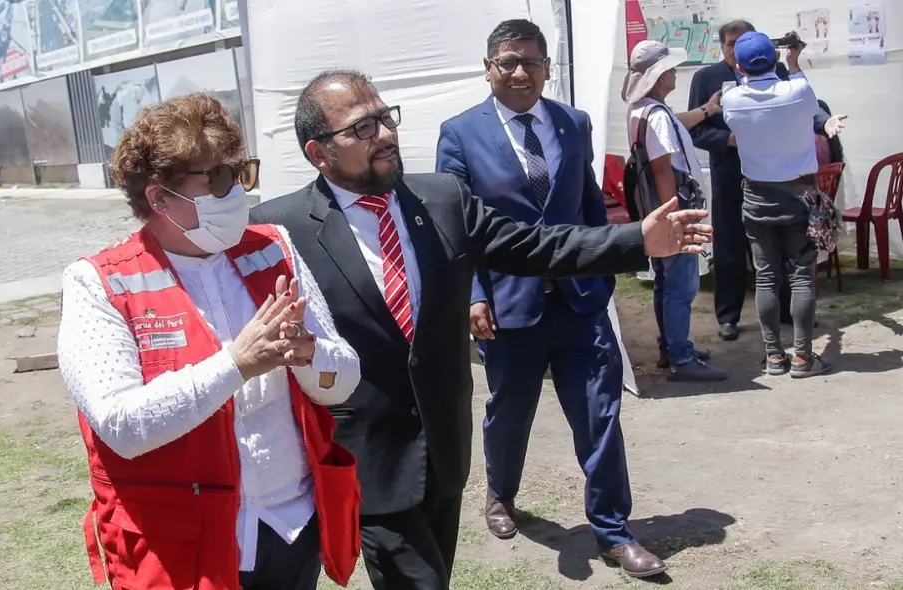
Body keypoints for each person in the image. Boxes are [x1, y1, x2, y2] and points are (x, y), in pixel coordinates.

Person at [250, 69, 712, 589]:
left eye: (385, 118)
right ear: (319, 152)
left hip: (446, 446)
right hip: (366, 458)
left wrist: (635, 241)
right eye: (361, 128)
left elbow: (537, 247)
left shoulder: (442, 198)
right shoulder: (277, 229)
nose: (384, 135)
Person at [57, 93, 363, 590]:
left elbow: (342, 380)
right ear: (159, 199)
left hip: (291, 526)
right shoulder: (97, 282)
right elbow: (123, 426)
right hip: (183, 546)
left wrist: (307, 353)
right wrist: (237, 363)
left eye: (241, 172)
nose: (238, 190)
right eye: (218, 178)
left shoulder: (274, 248)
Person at [430, 19, 662, 578]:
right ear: (488, 68)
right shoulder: (460, 133)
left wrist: (602, 276)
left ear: (546, 69)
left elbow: (586, 208)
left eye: (531, 63)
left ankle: (612, 530)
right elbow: (455, 226)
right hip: (509, 308)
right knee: (510, 413)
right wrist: (473, 296)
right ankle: (501, 494)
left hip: (580, 302)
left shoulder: (572, 123)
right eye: (507, 62)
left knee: (601, 416)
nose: (519, 73)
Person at [688, 19, 846, 341]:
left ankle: (789, 311)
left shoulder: (776, 75)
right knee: (730, 246)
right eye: (732, 44)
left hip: (774, 179)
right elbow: (698, 130)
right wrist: (732, 140)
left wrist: (824, 122)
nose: (738, 50)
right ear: (722, 47)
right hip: (731, 174)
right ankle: (728, 316)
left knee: (783, 252)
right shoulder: (707, 79)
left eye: (744, 42)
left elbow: (805, 108)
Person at [721, 32, 833, 378]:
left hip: (756, 196)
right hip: (800, 195)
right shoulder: (798, 90)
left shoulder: (732, 98)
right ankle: (802, 357)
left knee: (766, 277)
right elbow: (813, 107)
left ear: (738, 65)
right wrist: (794, 62)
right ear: (776, 59)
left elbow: (739, 102)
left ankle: (773, 356)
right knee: (802, 277)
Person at [623, 40, 729, 383]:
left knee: (665, 282)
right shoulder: (655, 115)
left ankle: (672, 347)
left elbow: (673, 125)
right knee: (680, 286)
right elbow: (662, 169)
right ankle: (681, 357)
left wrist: (705, 111)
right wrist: (674, 217)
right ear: (657, 76)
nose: (673, 75)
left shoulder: (645, 110)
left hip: (658, 208)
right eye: (668, 70)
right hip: (673, 207)